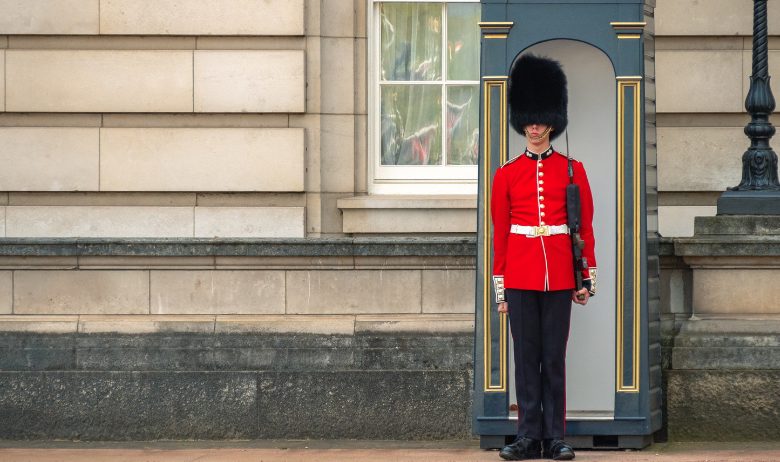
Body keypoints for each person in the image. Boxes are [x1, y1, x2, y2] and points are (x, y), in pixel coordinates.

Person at [491, 54, 597, 461]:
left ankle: (555, 436)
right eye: (529, 120)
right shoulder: (507, 173)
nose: (534, 127)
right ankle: (527, 435)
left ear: (552, 122)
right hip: (519, 274)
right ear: (523, 122)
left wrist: (585, 279)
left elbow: (584, 228)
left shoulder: (574, 170)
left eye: (540, 120)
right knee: (525, 359)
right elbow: (501, 233)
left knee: (553, 359)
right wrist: (501, 287)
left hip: (558, 276)